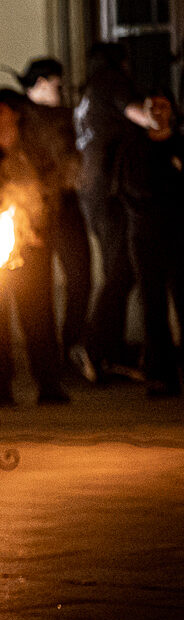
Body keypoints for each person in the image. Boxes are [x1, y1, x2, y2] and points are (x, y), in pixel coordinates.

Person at [0, 88, 69, 407]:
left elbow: (49, 197)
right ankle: (1, 385)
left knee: (38, 316)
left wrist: (39, 232)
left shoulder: (33, 155)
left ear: (16, 114)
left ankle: (48, 383)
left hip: (31, 251)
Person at [74, 42, 161, 381]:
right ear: (119, 62)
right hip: (111, 192)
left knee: (117, 270)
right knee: (121, 270)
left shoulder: (89, 91)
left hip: (94, 193)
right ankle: (96, 347)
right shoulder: (111, 81)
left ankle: (108, 350)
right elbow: (144, 116)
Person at [14, 57, 94, 380]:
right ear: (42, 83)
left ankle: (69, 348)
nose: (61, 89)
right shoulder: (21, 119)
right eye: (57, 84)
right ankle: (49, 365)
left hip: (65, 207)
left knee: (80, 279)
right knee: (39, 291)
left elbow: (73, 160)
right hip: (37, 212)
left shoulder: (64, 117)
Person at [113, 91, 184, 397]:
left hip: (180, 236)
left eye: (163, 106)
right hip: (145, 237)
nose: (157, 111)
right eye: (151, 106)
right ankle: (160, 375)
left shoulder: (180, 145)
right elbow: (131, 191)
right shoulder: (133, 149)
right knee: (152, 306)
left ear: (172, 111)